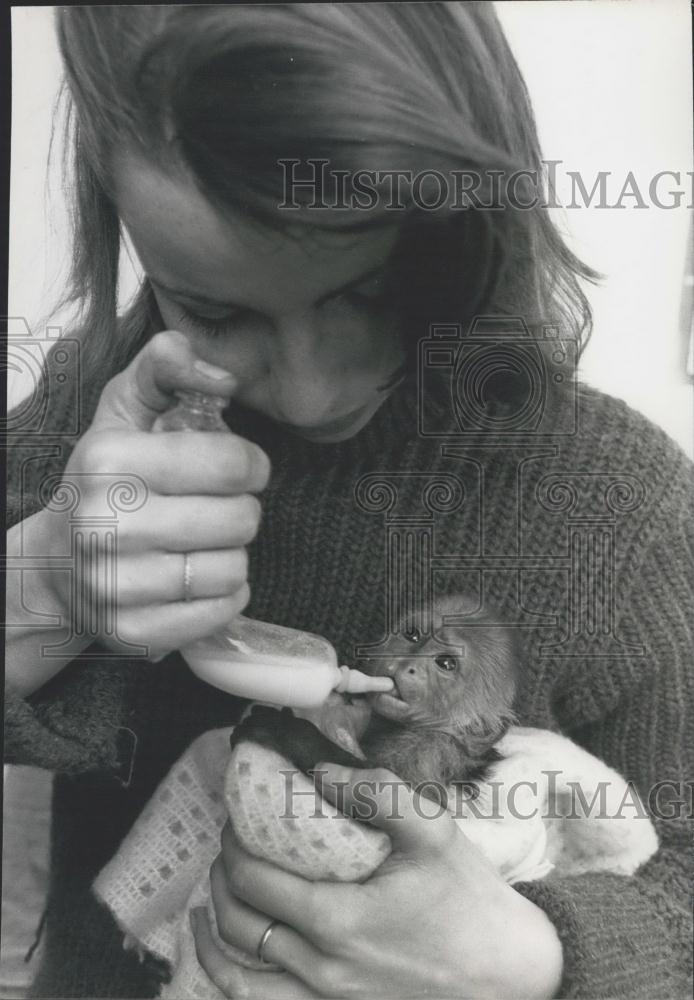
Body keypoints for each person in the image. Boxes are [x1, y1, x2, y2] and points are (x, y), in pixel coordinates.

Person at [4, 4, 692, 998]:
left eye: (365, 292)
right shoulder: (90, 421)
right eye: (214, 310)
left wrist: (536, 960)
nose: (312, 391)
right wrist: (46, 583)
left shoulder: (623, 512)